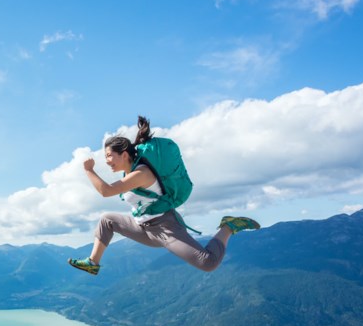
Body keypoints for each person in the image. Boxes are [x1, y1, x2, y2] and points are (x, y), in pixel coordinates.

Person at [68, 116, 259, 276]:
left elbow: (106, 191)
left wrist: (89, 170)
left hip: (166, 227)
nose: (107, 161)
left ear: (124, 154)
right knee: (106, 220)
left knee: (207, 263)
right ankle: (93, 263)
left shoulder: (141, 173)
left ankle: (228, 226)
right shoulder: (129, 173)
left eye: (109, 155)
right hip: (143, 228)